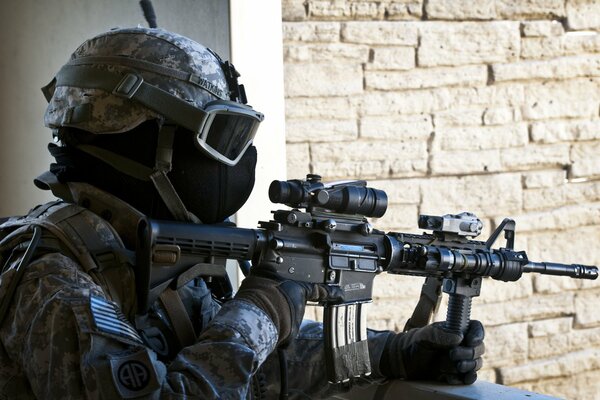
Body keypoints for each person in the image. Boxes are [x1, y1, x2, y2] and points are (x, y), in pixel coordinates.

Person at [0, 27, 484, 399]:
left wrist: (392, 353)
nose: (237, 163)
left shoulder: (144, 254)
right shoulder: (53, 278)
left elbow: (250, 371)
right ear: (143, 142)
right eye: (221, 137)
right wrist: (258, 311)